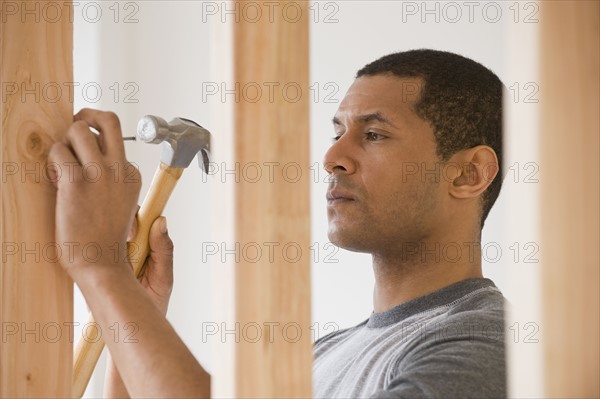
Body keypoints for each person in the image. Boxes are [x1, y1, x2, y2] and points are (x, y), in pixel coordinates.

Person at [49, 49, 506, 398]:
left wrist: (101, 269)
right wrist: (135, 307)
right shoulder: (321, 357)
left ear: (468, 174)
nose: (332, 158)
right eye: (337, 133)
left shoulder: (485, 344)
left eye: (373, 134)